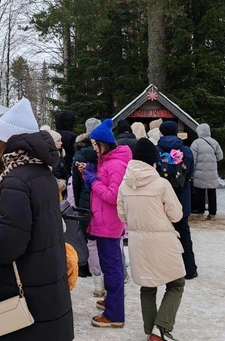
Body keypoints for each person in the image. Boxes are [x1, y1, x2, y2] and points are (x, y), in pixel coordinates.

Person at [0, 98, 74, 340]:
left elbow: (7, 244)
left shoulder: (16, 180)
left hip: (22, 296)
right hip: (43, 291)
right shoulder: (40, 172)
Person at [117, 138, 185, 341]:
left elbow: (122, 216)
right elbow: (176, 215)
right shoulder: (161, 184)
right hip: (163, 242)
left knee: (147, 286)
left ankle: (151, 329)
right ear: (152, 162)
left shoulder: (124, 185)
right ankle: (161, 328)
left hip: (138, 243)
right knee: (176, 283)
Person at [78, 118, 131, 328]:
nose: (94, 149)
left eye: (95, 145)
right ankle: (112, 302)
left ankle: (115, 314)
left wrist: (92, 179)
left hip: (108, 223)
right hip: (103, 222)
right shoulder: (107, 163)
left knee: (112, 269)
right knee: (112, 265)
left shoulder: (115, 164)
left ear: (104, 144)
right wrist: (89, 173)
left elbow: (112, 195)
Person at [157, 121, 197, 280]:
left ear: (161, 132)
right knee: (184, 233)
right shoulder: (186, 151)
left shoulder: (156, 150)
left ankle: (165, 270)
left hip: (162, 198)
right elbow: (191, 172)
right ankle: (189, 269)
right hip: (182, 197)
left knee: (162, 235)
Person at [71, 133, 103, 291]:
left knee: (86, 238)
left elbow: (76, 182)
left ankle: (84, 268)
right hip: (101, 199)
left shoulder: (79, 156)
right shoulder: (104, 154)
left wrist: (77, 202)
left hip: (85, 199)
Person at [190, 123, 224, 220]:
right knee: (212, 192)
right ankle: (212, 213)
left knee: (200, 192)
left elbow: (192, 158)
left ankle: (200, 213)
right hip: (212, 172)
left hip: (199, 172)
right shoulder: (214, 142)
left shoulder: (196, 143)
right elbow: (220, 156)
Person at [55, 109, 77, 175]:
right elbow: (74, 152)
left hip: (55, 166)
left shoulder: (53, 134)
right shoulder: (72, 136)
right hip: (68, 165)